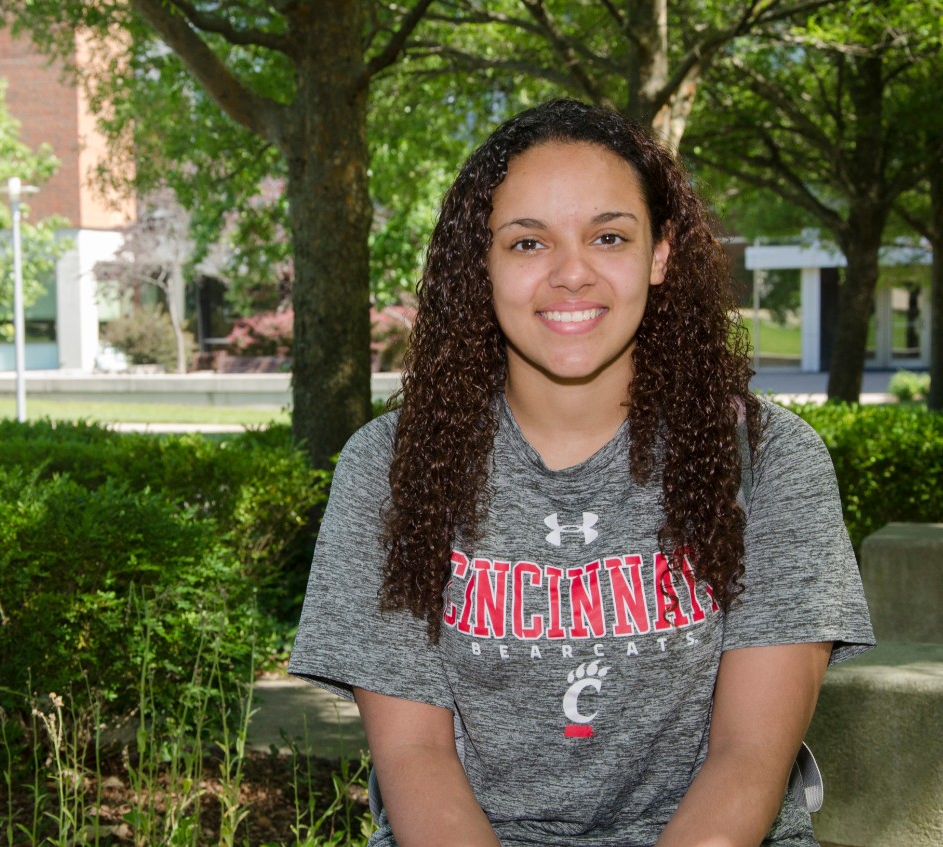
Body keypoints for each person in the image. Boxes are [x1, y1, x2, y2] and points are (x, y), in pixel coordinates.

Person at [288, 99, 874, 847]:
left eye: (608, 236)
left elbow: (747, 758)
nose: (571, 274)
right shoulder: (389, 468)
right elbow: (416, 757)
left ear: (660, 254)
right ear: (483, 262)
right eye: (528, 243)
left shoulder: (770, 461)